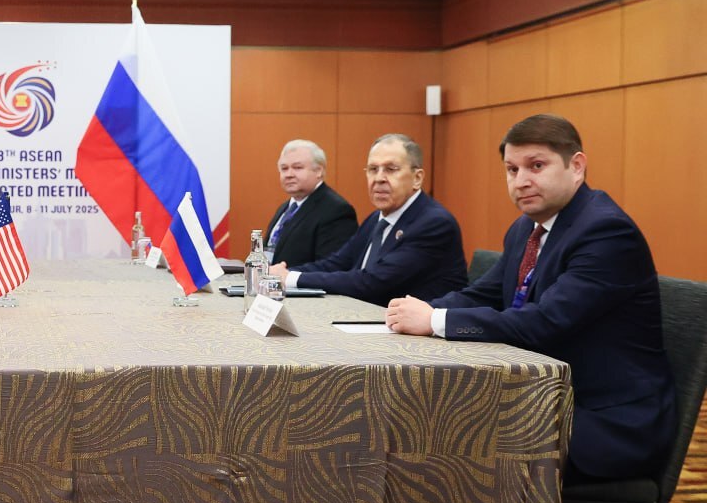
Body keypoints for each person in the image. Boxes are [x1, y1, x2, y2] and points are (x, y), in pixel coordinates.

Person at [386, 114, 674, 481]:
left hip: (607, 423)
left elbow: (544, 322)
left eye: (536, 166)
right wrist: (408, 313)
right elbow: (483, 295)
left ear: (577, 166)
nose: (521, 181)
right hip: (542, 398)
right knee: (425, 425)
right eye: (511, 169)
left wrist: (433, 321)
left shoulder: (606, 232)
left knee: (450, 449)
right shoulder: (527, 228)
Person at [273, 133, 467, 306]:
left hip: (417, 338)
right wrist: (282, 272)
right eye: (373, 169)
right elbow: (336, 263)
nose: (379, 178)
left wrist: (292, 278)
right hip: (368, 319)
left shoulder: (434, 223)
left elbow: (373, 282)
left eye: (391, 169)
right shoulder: (377, 218)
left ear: (417, 178)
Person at [263, 139, 357, 267]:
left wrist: (287, 275)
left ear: (318, 171)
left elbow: (332, 267)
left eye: (297, 168)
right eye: (284, 169)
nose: (289, 174)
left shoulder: (336, 210)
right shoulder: (286, 207)